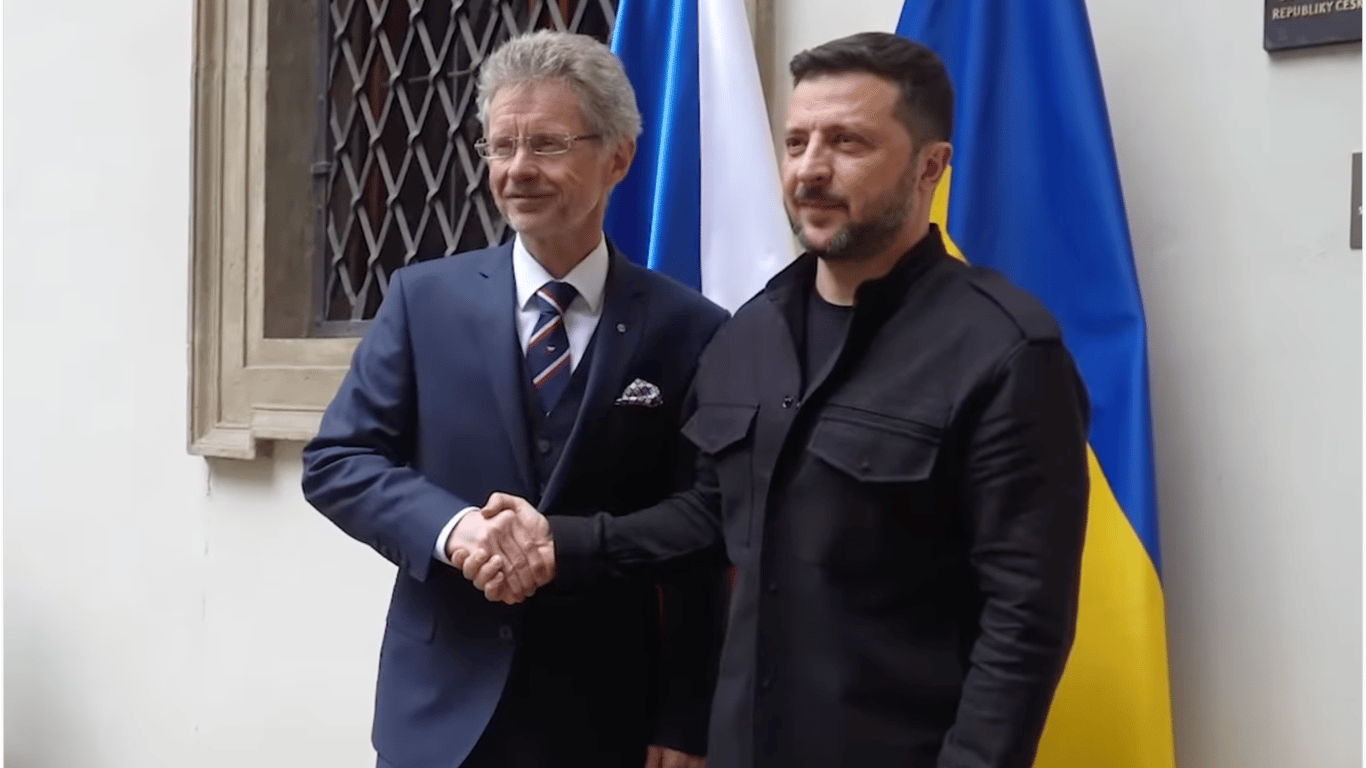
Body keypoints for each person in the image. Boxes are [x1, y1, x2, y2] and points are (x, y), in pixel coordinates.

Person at [462, 31, 1093, 768]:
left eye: (847, 142)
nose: (811, 169)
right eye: (796, 143)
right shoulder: (750, 334)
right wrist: (559, 543)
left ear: (931, 165)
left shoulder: (1005, 351)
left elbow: (1024, 622)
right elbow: (710, 516)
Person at [301, 30, 728, 768]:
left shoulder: (689, 327)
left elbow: (703, 522)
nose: (518, 169)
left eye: (548, 144)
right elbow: (339, 460)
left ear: (618, 157)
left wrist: (686, 720)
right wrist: (456, 528)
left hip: (607, 714)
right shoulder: (423, 299)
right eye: (501, 146)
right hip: (439, 710)